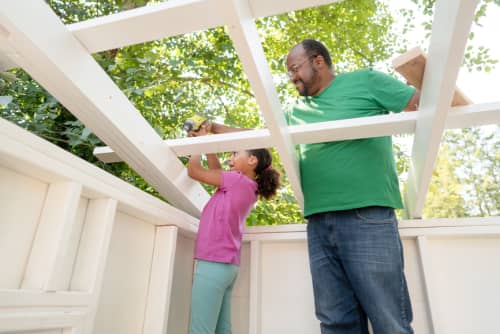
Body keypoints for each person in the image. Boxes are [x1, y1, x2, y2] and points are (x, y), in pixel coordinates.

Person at [206, 39, 421, 334]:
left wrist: (428, 74)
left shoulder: (365, 81)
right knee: (335, 322)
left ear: (318, 61)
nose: (292, 77)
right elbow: (260, 134)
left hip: (368, 217)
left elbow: (419, 103)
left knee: (389, 320)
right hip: (319, 223)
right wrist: (213, 128)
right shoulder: (296, 111)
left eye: (295, 68)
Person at [186, 122, 280, 334]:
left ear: (252, 160)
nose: (230, 158)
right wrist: (207, 141)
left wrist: (197, 143)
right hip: (228, 267)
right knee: (222, 330)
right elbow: (216, 171)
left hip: (213, 263)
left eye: (235, 153)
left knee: (200, 330)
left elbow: (194, 171)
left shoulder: (236, 181)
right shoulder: (248, 186)